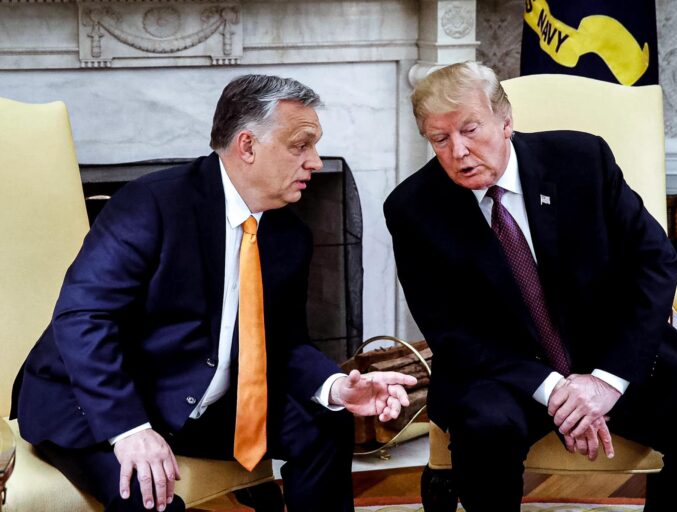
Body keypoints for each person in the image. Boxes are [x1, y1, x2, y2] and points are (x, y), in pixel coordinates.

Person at [11, 74, 417, 512]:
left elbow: (283, 343)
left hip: (193, 398)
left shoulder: (289, 233)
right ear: (247, 146)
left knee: (324, 426)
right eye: (300, 145)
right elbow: (83, 319)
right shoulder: (151, 204)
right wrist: (130, 430)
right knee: (148, 498)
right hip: (91, 404)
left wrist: (336, 388)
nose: (315, 162)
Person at [383, 61, 677, 512]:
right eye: (440, 139)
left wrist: (606, 381)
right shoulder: (412, 208)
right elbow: (451, 331)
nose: (458, 151)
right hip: (504, 369)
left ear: (506, 122)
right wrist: (555, 389)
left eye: (470, 130)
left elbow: (654, 262)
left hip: (611, 349)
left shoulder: (582, 160)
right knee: (484, 430)